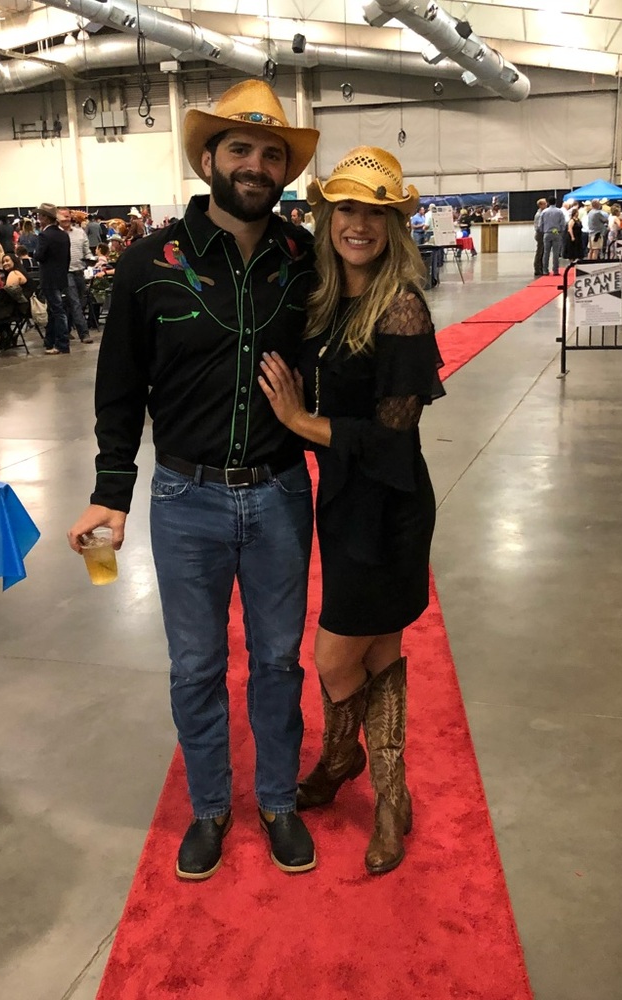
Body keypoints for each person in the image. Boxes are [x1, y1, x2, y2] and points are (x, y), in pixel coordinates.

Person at [67, 79, 321, 882]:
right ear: (207, 158)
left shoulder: (303, 262)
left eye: (271, 153)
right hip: (186, 501)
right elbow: (118, 390)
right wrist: (112, 491)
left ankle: (277, 800)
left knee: (279, 659)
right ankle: (211, 809)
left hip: (281, 492)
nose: (255, 164)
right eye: (240, 149)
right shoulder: (150, 265)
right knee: (196, 666)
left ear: (284, 172)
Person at [257, 145, 443, 876]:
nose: (358, 224)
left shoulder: (400, 305)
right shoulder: (328, 298)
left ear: (395, 224)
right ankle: (391, 800)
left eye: (376, 211)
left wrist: (303, 425)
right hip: (341, 500)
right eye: (347, 209)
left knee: (335, 655)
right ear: (328, 215)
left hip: (387, 505)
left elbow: (395, 435)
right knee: (381, 652)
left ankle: (342, 761)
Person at [33, 202, 71, 355]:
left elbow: (39, 255)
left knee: (57, 311)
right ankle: (50, 341)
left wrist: (35, 253)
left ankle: (62, 343)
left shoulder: (44, 235)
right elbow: (67, 258)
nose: (38, 217)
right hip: (61, 277)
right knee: (55, 310)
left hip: (49, 278)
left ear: (45, 218)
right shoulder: (63, 235)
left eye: (40, 215)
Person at [58, 208, 94, 343]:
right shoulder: (56, 235)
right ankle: (84, 334)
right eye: (63, 217)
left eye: (67, 216)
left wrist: (92, 259)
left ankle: (65, 329)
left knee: (76, 302)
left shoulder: (80, 233)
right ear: (57, 219)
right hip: (66, 273)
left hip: (80, 271)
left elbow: (86, 251)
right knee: (75, 303)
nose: (66, 219)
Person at [539, 196, 567, 276]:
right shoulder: (559, 212)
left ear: (548, 202)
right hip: (556, 233)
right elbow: (563, 223)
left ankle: (545, 270)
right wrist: (561, 231)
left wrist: (543, 231)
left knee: (546, 252)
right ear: (555, 202)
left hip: (547, 233)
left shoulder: (544, 212)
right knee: (556, 253)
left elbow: (540, 224)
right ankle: (555, 271)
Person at [533, 198, 547, 276]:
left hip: (542, 233)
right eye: (544, 204)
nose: (546, 205)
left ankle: (541, 268)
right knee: (540, 251)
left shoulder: (543, 213)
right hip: (540, 234)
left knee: (543, 252)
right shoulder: (539, 215)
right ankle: (537, 269)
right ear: (540, 205)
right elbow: (538, 226)